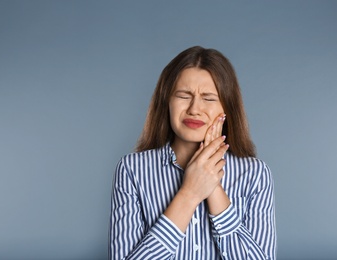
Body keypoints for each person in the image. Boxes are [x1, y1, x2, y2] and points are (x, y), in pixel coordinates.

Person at [109, 46, 276, 259]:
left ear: (227, 108)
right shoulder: (132, 170)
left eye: (208, 98)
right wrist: (190, 194)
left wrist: (212, 185)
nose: (194, 109)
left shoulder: (256, 174)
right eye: (183, 95)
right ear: (167, 103)